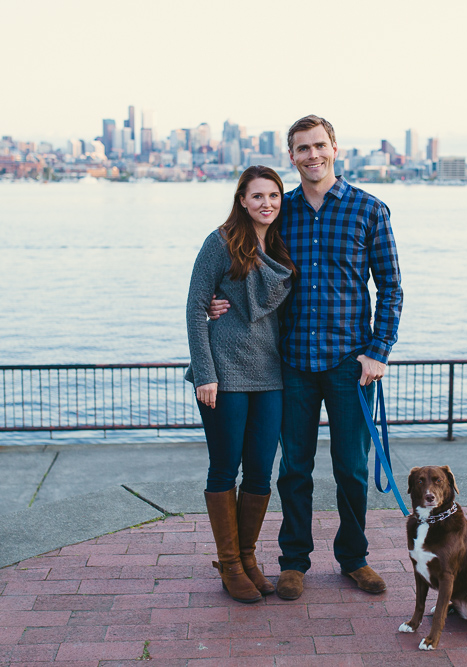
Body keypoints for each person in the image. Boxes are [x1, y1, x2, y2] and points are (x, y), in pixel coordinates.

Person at [209, 115, 403, 600]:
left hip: (349, 365)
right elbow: (242, 265)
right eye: (302, 149)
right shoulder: (280, 212)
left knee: (350, 469)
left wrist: (378, 352)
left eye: (319, 145)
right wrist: (219, 302)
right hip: (290, 362)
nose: (312, 155)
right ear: (291, 156)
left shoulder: (369, 210)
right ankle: (293, 561)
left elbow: (392, 289)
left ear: (334, 148)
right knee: (293, 469)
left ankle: (353, 558)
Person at [185, 165, 295, 603]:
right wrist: (205, 372)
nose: (266, 203)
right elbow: (195, 308)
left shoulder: (284, 246)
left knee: (261, 472)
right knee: (223, 469)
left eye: (274, 195)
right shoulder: (221, 242)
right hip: (224, 375)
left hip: (270, 375)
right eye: (257, 196)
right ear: (242, 200)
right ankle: (229, 563)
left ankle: (247, 556)